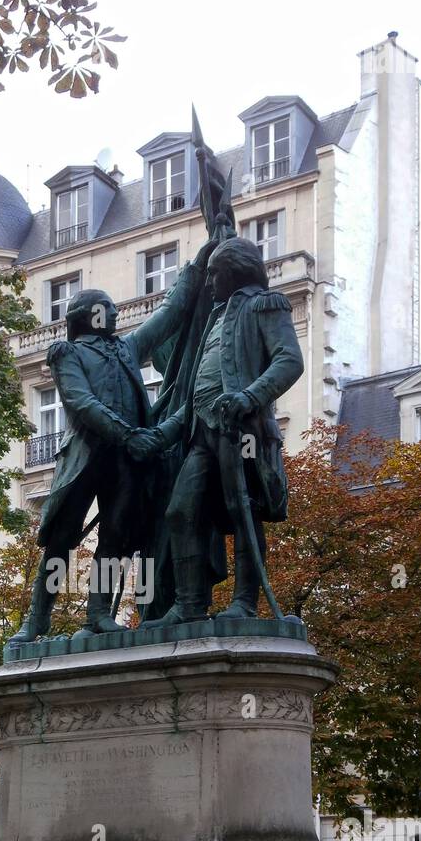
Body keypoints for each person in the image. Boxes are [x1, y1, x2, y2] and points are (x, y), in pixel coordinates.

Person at [8, 238, 217, 644]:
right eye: (109, 308)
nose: (117, 313)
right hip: (87, 458)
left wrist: (199, 262)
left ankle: (99, 614)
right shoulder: (66, 353)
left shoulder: (127, 348)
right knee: (61, 541)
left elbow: (170, 314)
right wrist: (129, 435)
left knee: (117, 541)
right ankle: (36, 620)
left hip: (127, 464)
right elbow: (81, 404)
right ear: (90, 315)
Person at [143, 236, 304, 627]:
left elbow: (289, 360)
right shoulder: (213, 318)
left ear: (235, 270)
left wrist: (249, 397)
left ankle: (244, 603)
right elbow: (196, 386)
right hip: (203, 430)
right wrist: (165, 432)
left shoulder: (266, 304)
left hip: (244, 430)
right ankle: (189, 603)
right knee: (181, 510)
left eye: (214, 273)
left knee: (243, 509)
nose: (210, 281)